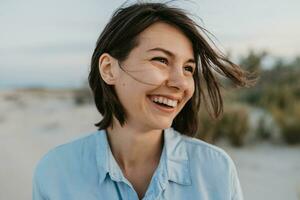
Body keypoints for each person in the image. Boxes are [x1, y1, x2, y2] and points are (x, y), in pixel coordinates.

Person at [33, 2, 253, 200]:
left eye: (188, 69)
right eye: (161, 60)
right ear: (109, 69)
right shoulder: (56, 172)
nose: (181, 83)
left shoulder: (216, 170)